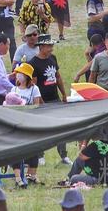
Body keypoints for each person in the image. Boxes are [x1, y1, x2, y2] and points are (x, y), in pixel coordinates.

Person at [30, 34, 70, 163]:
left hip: (55, 98)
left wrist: (63, 93)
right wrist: (39, 101)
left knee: (61, 127)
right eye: (49, 46)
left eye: (52, 46)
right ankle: (40, 156)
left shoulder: (53, 58)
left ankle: (63, 155)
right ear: (41, 47)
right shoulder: (33, 63)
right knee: (41, 129)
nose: (51, 48)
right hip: (42, 100)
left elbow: (57, 77)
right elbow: (34, 85)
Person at [10, 62, 41, 185]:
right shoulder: (14, 89)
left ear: (26, 76)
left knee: (34, 149)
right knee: (16, 150)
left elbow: (37, 106)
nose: (18, 75)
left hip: (30, 123)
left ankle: (31, 175)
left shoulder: (34, 89)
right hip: (17, 124)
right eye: (17, 73)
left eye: (20, 73)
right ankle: (18, 178)